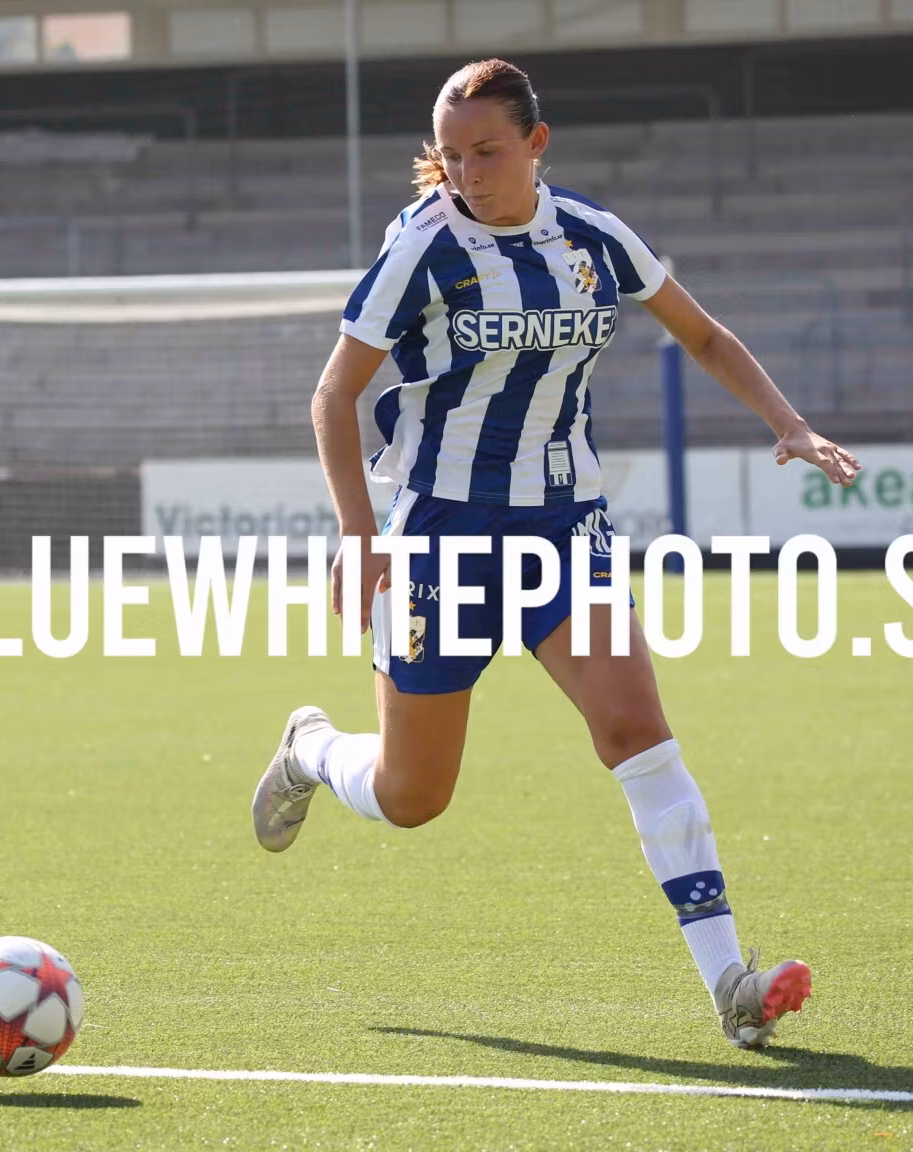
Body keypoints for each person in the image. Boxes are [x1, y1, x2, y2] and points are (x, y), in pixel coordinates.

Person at [251, 58, 860, 1049]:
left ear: (536, 144)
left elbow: (700, 336)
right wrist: (359, 540)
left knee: (633, 730)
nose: (466, 172)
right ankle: (309, 751)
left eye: (486, 151)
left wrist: (785, 422)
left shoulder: (592, 235)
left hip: (562, 529)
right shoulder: (420, 248)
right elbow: (332, 396)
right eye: (450, 156)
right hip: (439, 537)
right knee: (413, 798)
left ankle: (731, 987)